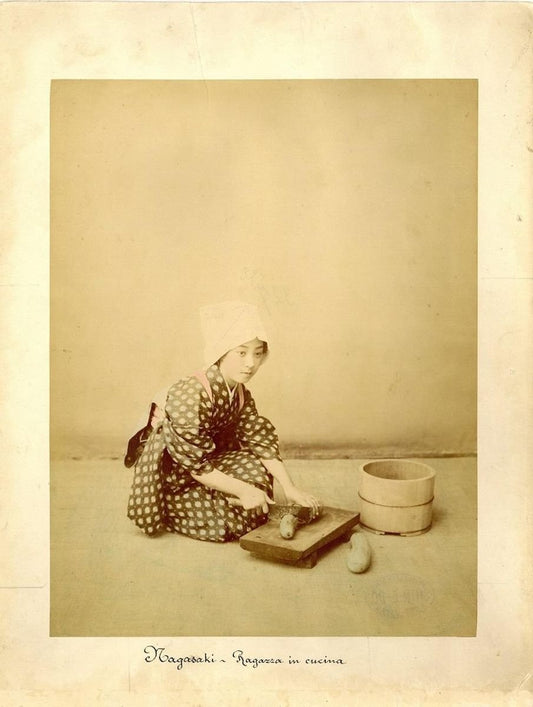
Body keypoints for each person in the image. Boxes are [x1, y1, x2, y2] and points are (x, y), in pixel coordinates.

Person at [127, 301, 320, 542]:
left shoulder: (239, 393)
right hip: (176, 470)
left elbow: (259, 442)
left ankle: (230, 499)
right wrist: (243, 489)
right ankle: (171, 504)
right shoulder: (190, 394)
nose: (251, 363)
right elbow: (195, 464)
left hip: (208, 458)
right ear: (221, 352)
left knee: (256, 471)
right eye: (241, 352)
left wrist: (289, 487)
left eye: (258, 353)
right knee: (234, 518)